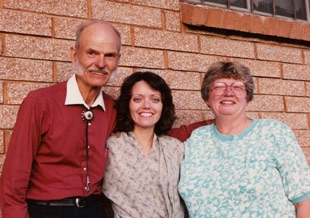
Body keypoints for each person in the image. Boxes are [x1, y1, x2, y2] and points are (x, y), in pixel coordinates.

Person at [0, 19, 211, 218]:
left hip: (96, 210)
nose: (100, 63)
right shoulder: (40, 103)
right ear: (75, 55)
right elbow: (13, 181)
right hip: (48, 210)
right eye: (92, 53)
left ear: (117, 60)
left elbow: (149, 134)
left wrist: (221, 121)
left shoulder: (112, 108)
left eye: (109, 55)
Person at [178, 61, 310, 217]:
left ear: (248, 97)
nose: (228, 92)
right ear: (207, 97)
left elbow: (304, 201)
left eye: (237, 87)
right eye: (219, 86)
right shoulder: (196, 139)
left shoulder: (273, 132)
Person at [102, 71, 185, 218]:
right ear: (127, 104)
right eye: (138, 99)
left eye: (155, 99)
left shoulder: (176, 148)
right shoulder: (111, 146)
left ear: (162, 106)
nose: (147, 106)